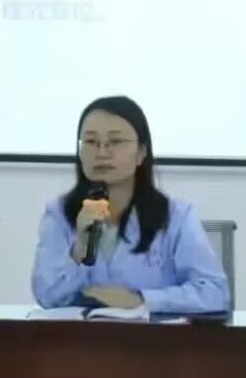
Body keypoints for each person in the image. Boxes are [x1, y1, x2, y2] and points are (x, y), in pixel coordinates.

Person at [32, 95, 230, 315]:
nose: (102, 152)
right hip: (82, 336)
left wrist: (142, 299)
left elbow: (215, 292)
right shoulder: (59, 214)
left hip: (152, 337)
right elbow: (47, 297)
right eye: (91, 142)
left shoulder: (176, 216)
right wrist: (79, 247)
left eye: (115, 141)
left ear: (141, 152)